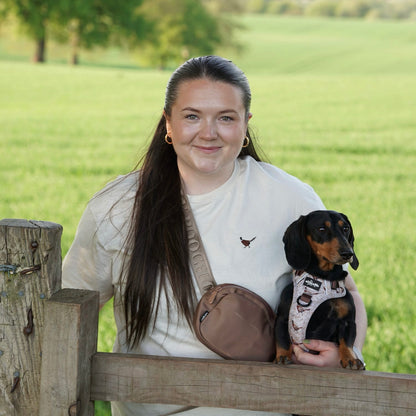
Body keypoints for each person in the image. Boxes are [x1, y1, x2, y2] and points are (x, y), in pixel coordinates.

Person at [62, 55, 367, 416]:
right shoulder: (117, 207)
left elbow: (344, 292)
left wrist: (347, 352)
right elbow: (68, 311)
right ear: (168, 123)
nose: (208, 133)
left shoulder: (289, 198)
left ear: (245, 124)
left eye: (225, 118)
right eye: (192, 116)